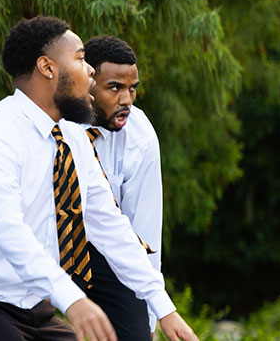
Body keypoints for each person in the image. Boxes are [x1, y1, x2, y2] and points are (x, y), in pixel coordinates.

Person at [0, 16, 198, 341]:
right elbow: (7, 229)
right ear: (47, 67)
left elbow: (110, 225)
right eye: (79, 58)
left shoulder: (72, 137)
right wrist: (72, 298)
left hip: (36, 310)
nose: (90, 70)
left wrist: (164, 308)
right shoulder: (0, 132)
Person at [81, 35, 164, 338]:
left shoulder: (140, 135)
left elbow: (144, 226)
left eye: (132, 88)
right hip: (47, 244)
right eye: (114, 87)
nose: (126, 99)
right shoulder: (57, 124)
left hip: (107, 252)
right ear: (86, 81)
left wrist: (150, 314)